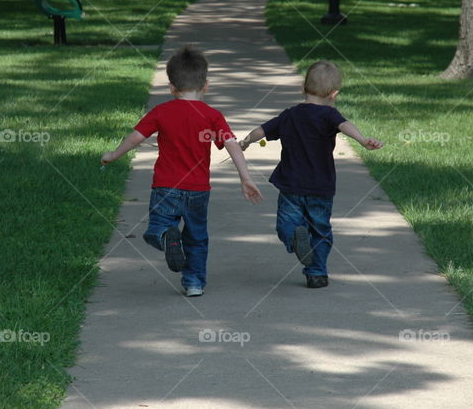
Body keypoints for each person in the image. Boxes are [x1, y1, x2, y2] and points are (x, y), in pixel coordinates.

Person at [102, 46, 263, 296]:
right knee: (197, 238)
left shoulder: (161, 112)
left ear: (171, 87)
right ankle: (194, 283)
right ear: (206, 85)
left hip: (166, 187)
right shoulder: (212, 116)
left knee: (157, 228)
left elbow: (135, 138)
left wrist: (112, 156)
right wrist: (246, 178)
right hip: (198, 191)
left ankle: (166, 236)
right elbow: (232, 145)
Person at [239, 60, 383, 288]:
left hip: (291, 186)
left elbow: (262, 130)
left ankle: (295, 236)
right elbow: (346, 125)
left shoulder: (290, 115)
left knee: (286, 224)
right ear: (334, 94)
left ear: (303, 89)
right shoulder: (330, 115)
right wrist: (363, 140)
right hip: (320, 187)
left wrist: (245, 141)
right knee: (320, 229)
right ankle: (317, 273)